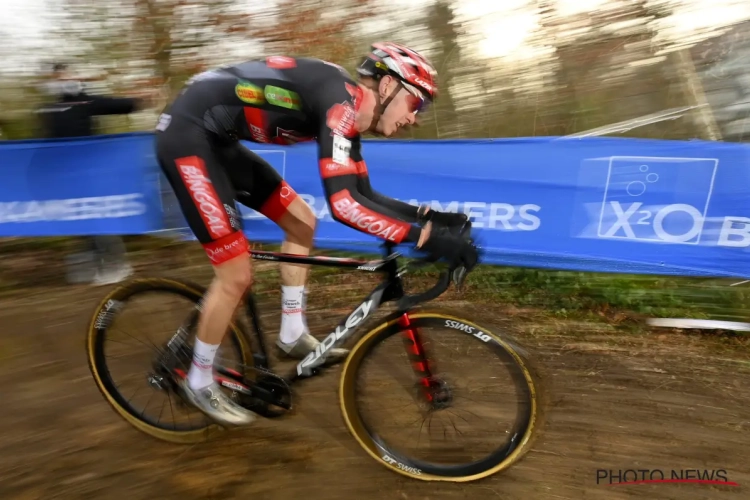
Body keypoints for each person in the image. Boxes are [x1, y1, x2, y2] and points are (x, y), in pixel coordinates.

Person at [154, 42, 477, 426]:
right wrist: (425, 238)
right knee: (235, 275)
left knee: (301, 221)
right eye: (417, 103)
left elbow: (363, 194)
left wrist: (430, 218)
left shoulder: (351, 110)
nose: (415, 118)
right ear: (389, 87)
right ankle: (199, 378)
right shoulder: (341, 104)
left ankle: (291, 333)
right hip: (188, 138)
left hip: (216, 139)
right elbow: (344, 206)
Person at [36, 62, 153, 285]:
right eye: (56, 77)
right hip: (65, 176)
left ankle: (117, 266)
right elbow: (43, 141)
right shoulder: (45, 108)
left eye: (64, 75)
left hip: (91, 173)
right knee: (82, 220)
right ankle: (95, 265)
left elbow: (116, 105)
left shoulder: (84, 100)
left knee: (97, 217)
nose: (61, 80)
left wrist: (139, 100)